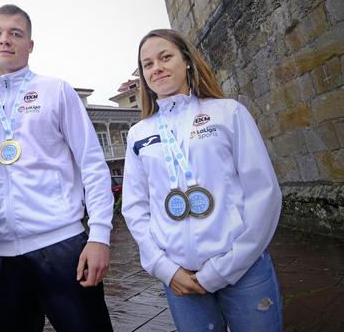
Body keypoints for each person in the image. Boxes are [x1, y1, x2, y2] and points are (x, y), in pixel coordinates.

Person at [0, 4, 114, 332]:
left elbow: (92, 163)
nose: (5, 40)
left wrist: (99, 235)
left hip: (60, 245)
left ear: (29, 44)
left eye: (15, 33)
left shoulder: (56, 90)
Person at [121, 29, 283, 332]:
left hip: (243, 268)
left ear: (186, 61)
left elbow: (263, 193)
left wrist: (223, 269)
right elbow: (135, 207)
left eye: (165, 57)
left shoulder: (228, 112)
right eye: (147, 64)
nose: (156, 68)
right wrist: (163, 267)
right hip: (179, 277)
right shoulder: (138, 134)